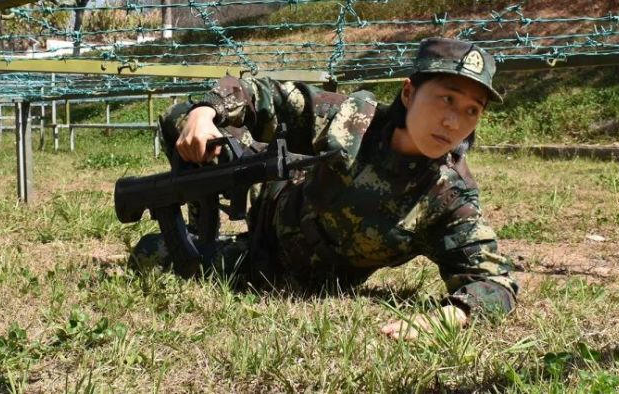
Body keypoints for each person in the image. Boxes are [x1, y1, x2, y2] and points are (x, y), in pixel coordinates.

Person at [135, 37, 518, 339]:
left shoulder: (447, 196)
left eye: (472, 110)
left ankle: (199, 242)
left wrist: (453, 315)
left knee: (151, 252)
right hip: (268, 192)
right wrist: (206, 111)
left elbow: (495, 280)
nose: (453, 121)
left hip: (270, 269)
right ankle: (200, 214)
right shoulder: (353, 118)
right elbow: (265, 96)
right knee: (180, 120)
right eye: (446, 98)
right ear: (408, 93)